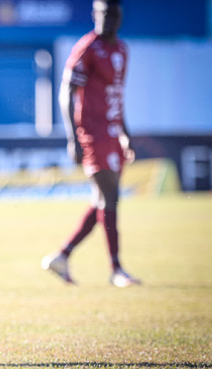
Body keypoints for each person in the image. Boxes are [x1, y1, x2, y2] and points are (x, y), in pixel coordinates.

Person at [42, 0, 140, 288]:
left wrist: (125, 133)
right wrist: (73, 137)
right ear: (95, 15)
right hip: (92, 133)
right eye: (103, 13)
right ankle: (116, 269)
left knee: (101, 200)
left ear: (120, 17)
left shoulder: (122, 49)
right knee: (110, 197)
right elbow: (66, 92)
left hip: (112, 134)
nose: (108, 19)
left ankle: (61, 256)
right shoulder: (88, 47)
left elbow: (115, 96)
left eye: (113, 14)